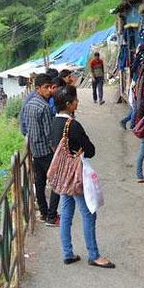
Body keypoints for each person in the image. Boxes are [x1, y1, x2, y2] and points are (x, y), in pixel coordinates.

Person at [51, 85, 115, 268]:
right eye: (75, 100)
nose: (77, 103)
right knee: (88, 213)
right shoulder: (73, 125)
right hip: (76, 175)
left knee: (66, 214)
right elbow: (91, 150)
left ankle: (67, 253)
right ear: (69, 104)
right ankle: (94, 255)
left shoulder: (54, 123)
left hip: (63, 175)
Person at [23, 73, 60, 226]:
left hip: (34, 149)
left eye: (49, 87)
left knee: (40, 182)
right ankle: (51, 216)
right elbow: (48, 133)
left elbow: (26, 128)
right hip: (45, 150)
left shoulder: (29, 104)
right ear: (37, 88)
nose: (48, 91)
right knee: (57, 182)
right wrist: (56, 151)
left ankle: (44, 213)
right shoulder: (44, 107)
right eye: (45, 88)